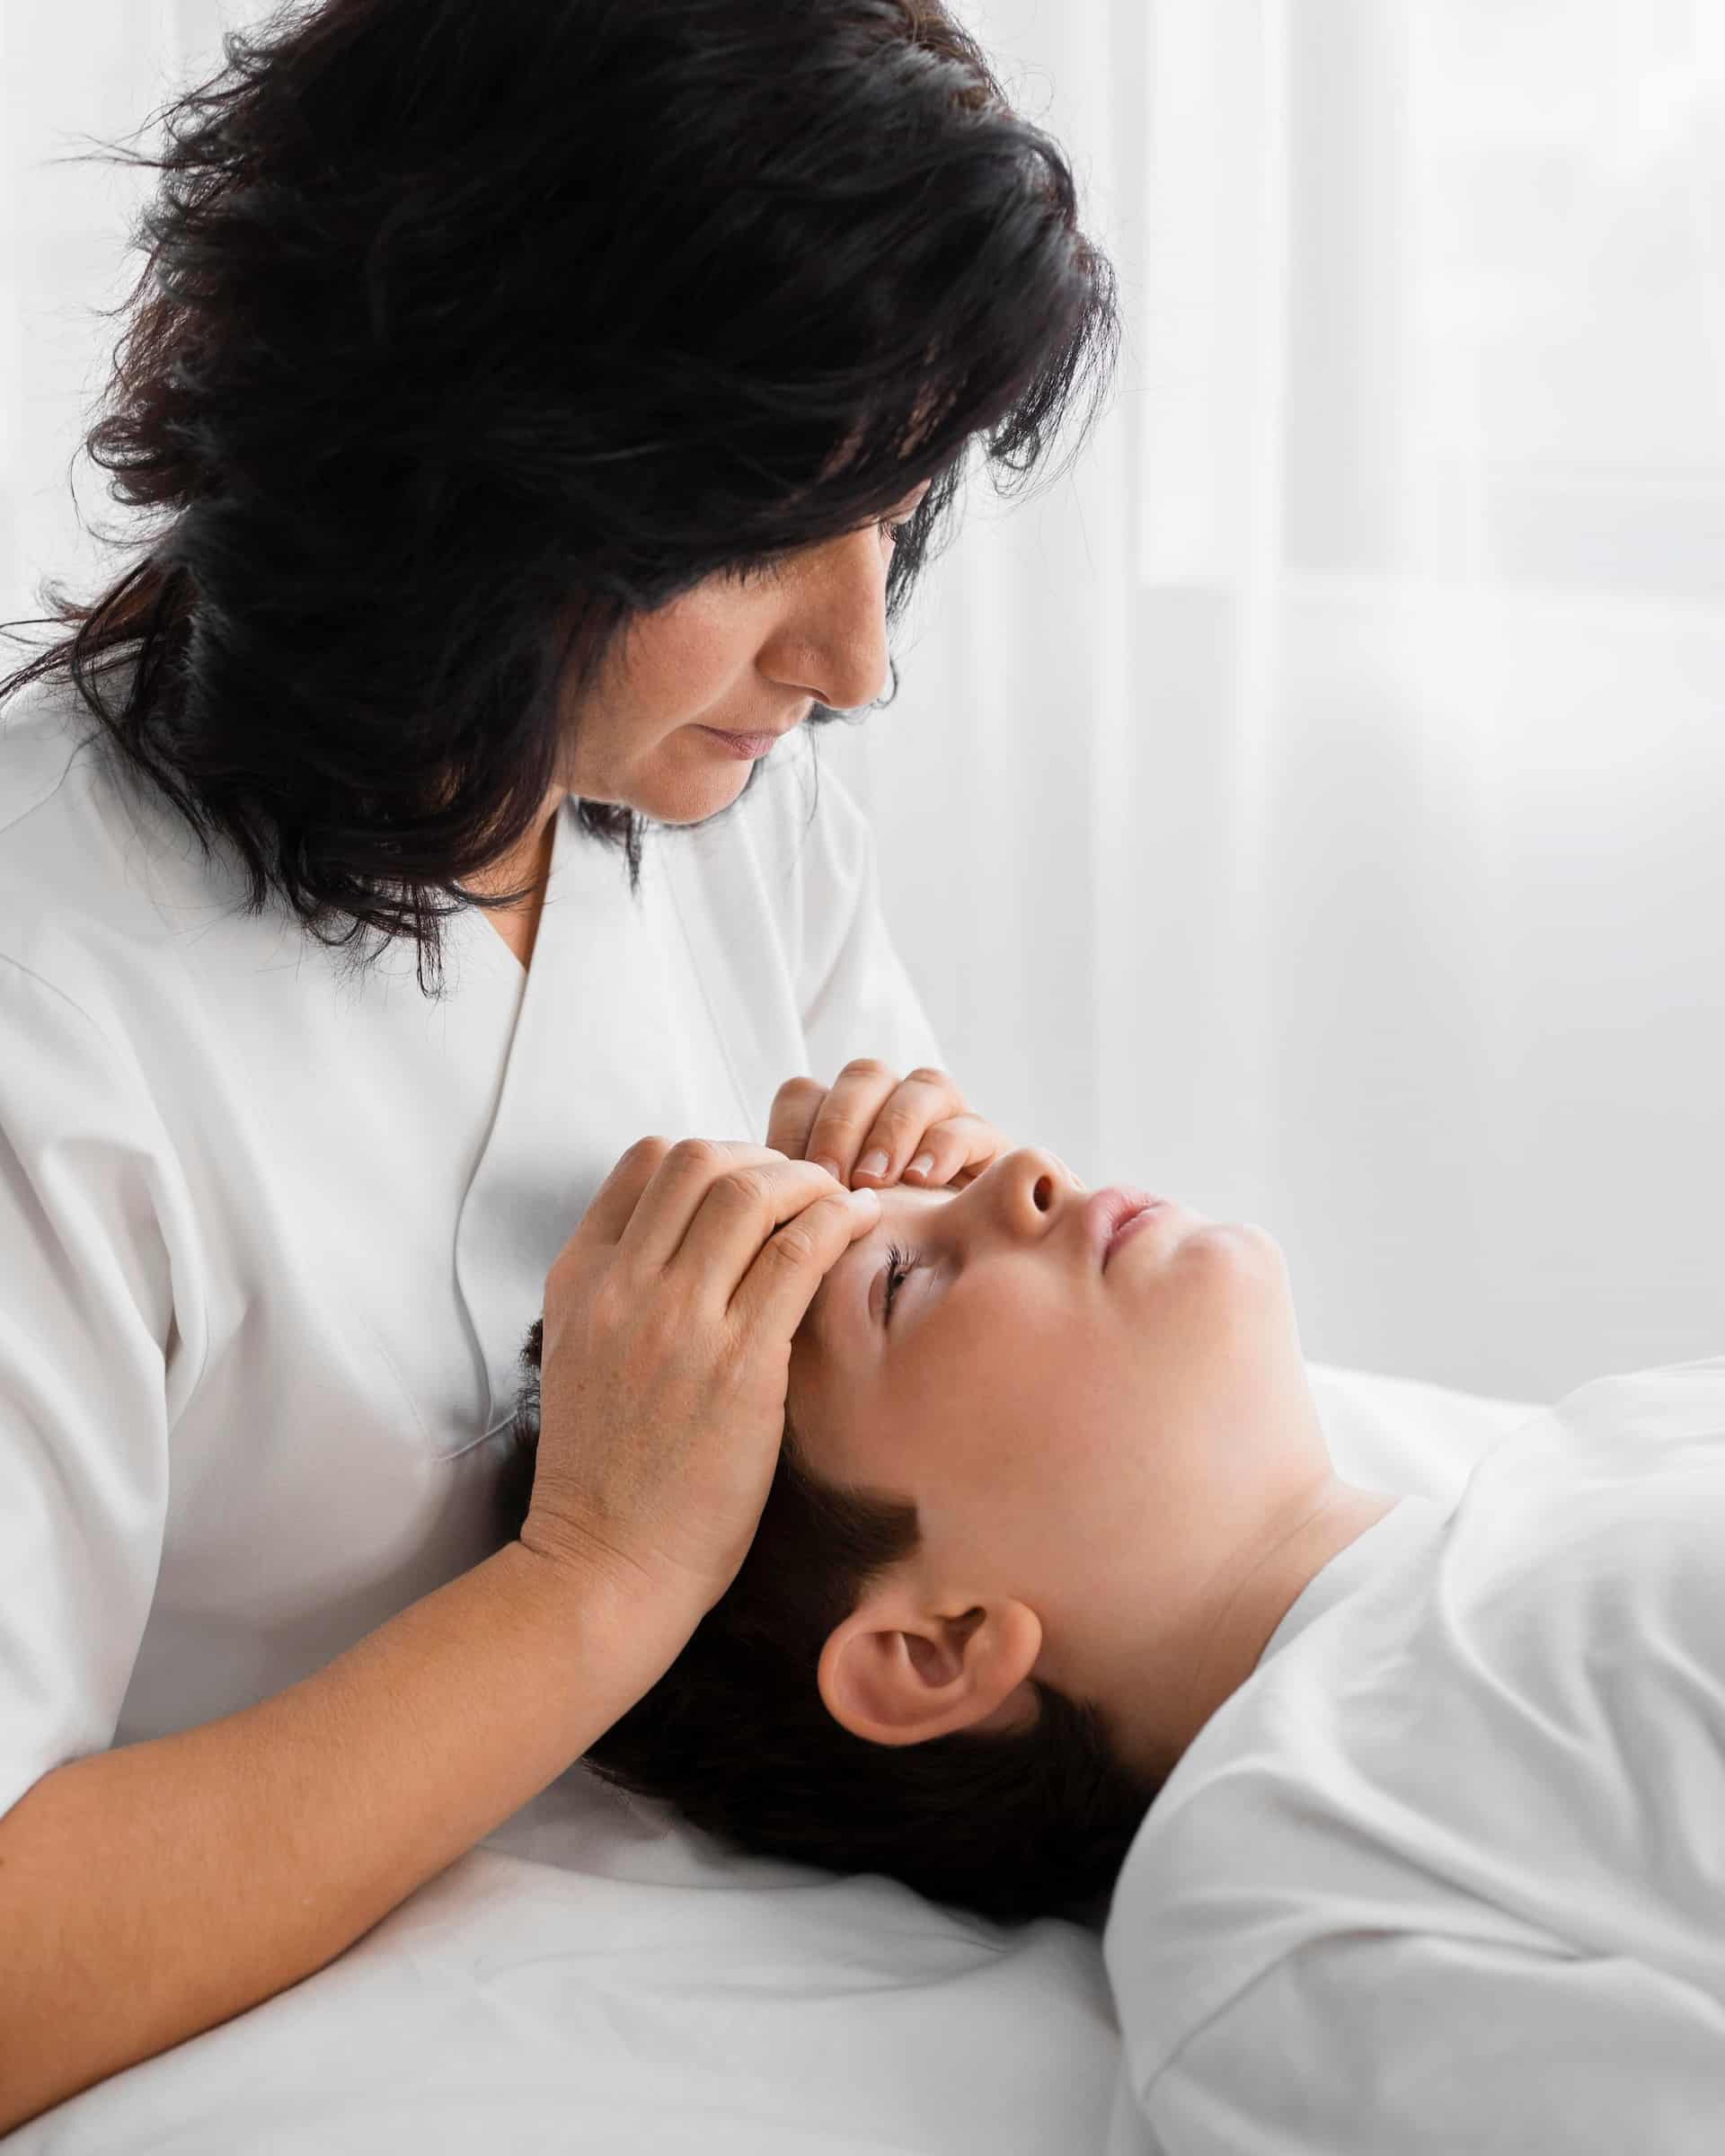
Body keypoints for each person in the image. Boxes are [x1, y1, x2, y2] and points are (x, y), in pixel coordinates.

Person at [0, 0, 1119, 2131]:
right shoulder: (45, 1018)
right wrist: (594, 1578)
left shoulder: (708, 800)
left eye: (893, 512)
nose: (857, 658)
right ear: (457, 468)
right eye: (756, 532)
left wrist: (912, 1238)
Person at [502, 1153, 1725, 2153]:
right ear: (938, 1647)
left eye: (954, 1180)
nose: (1022, 1175)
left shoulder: (1619, 1434)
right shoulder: (1284, 1887)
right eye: (904, 1282)